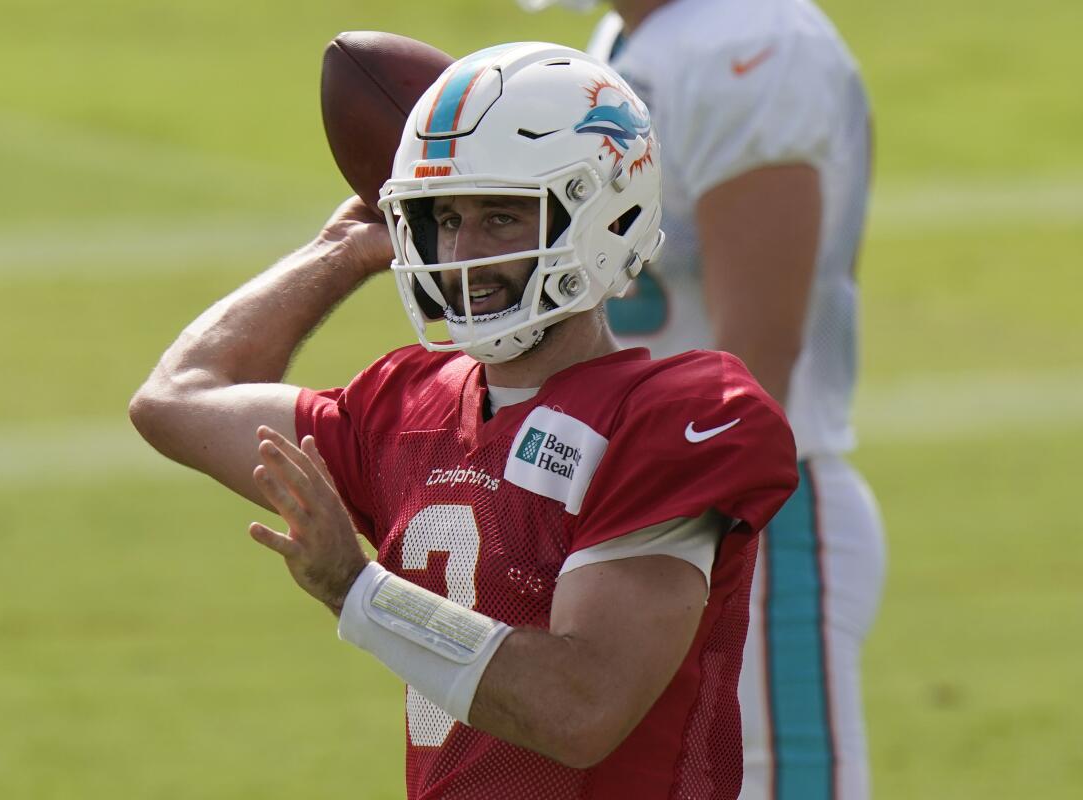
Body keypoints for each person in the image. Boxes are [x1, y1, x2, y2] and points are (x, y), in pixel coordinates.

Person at [130, 42, 798, 799]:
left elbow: (583, 708)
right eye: (445, 217)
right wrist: (340, 251)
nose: (461, 253)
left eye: (502, 217)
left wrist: (360, 591)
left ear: (603, 213)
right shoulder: (403, 406)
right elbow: (177, 397)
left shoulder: (679, 414)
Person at [517, 2, 887, 798]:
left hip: (745, 518)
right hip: (632, 517)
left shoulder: (747, 41)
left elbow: (757, 369)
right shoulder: (626, 37)